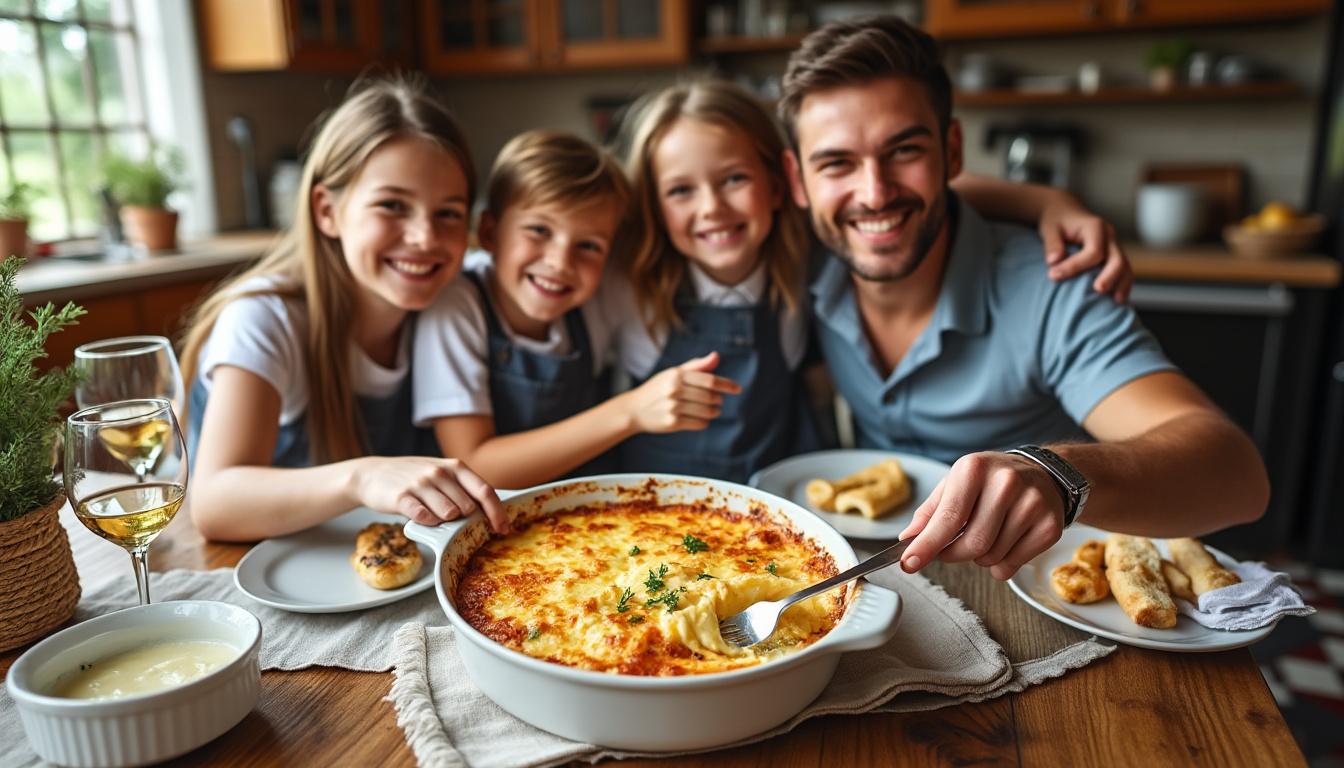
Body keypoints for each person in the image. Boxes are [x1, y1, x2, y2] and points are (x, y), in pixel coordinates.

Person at [777, 16, 1268, 579]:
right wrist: (1043, 197)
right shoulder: (801, 258)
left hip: (1041, 587)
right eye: (837, 163)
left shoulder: (1051, 287)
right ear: (797, 181)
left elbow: (1238, 475)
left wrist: (1057, 473)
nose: (874, 193)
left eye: (905, 151)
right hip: (874, 576)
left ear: (952, 151)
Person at [611, 79, 1133, 483]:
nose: (712, 209)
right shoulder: (628, 286)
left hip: (784, 515)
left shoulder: (804, 251)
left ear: (780, 185)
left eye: (734, 179)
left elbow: (910, 195)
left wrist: (1047, 201)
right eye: (680, 191)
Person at [181, 78, 508, 541]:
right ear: (326, 210)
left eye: (449, 213)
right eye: (392, 205)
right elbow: (215, 504)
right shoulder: (264, 317)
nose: (425, 238)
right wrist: (363, 477)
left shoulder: (453, 294)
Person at [413, 130, 739, 488]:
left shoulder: (595, 301)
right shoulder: (456, 305)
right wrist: (631, 411)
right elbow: (473, 465)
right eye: (539, 230)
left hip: (578, 524)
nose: (560, 262)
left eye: (588, 245)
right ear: (490, 232)